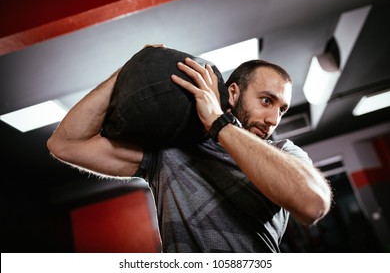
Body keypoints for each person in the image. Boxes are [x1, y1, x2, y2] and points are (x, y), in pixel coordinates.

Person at [47, 45, 332, 252]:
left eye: (282, 110)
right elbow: (65, 144)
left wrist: (219, 124)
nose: (273, 119)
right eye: (266, 101)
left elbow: (312, 205)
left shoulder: (285, 152)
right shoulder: (170, 152)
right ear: (233, 93)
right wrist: (125, 73)